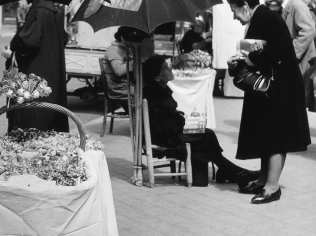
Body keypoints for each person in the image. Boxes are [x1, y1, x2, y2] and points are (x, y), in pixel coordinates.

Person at [227, 0, 311, 203]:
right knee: (267, 133)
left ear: (245, 5)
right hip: (274, 86)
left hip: (281, 87)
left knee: (276, 136)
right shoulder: (262, 17)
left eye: (234, 10)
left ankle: (272, 188)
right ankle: (263, 180)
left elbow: (280, 47)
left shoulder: (266, 18)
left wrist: (251, 58)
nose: (234, 17)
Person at [142, 55, 260, 187]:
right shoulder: (154, 94)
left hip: (172, 133)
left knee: (205, 132)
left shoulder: (159, 90)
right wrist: (180, 120)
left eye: (167, 65)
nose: (169, 69)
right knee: (207, 134)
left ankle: (229, 171)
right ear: (157, 77)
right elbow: (162, 127)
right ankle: (234, 171)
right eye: (165, 68)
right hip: (166, 138)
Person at [4, 0, 69, 132]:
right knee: (50, 118)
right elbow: (63, 38)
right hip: (51, 73)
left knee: (33, 119)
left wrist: (13, 52)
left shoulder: (37, 10)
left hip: (35, 73)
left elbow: (28, 41)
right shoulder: (55, 11)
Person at [266, 0, 316, 111]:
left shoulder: (297, 5)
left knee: (296, 101)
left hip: (300, 60)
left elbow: (309, 30)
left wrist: (291, 51)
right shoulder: (285, 7)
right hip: (293, 61)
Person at [103, 27, 148, 113]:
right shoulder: (114, 50)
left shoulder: (127, 49)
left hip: (126, 86)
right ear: (123, 38)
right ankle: (140, 120)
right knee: (148, 92)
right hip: (119, 89)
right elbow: (118, 70)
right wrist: (135, 62)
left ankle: (142, 120)